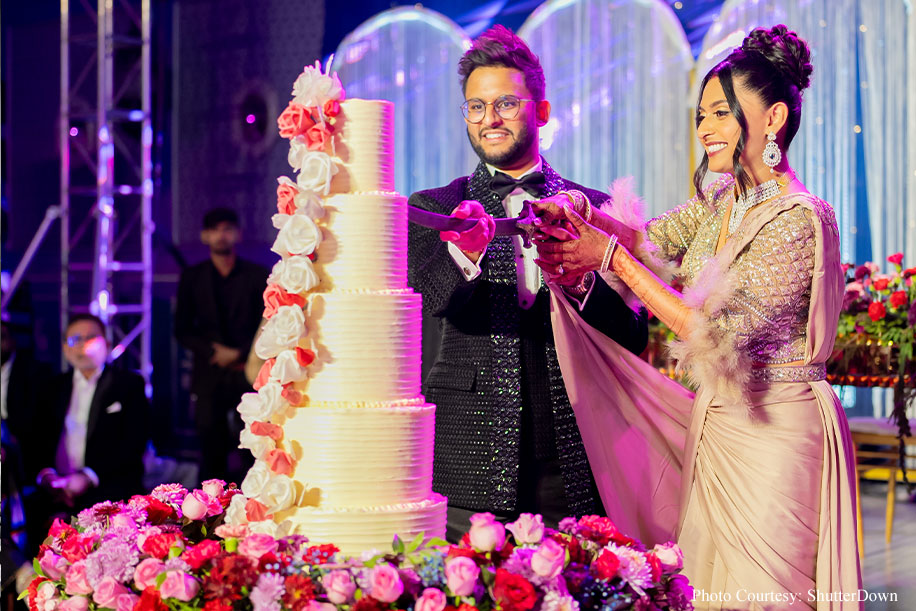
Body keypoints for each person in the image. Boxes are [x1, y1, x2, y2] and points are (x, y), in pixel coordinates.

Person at [532, 25, 861, 607]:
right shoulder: (720, 202)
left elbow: (715, 334)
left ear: (774, 119)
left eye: (722, 113)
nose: (706, 128)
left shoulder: (799, 219)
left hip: (776, 432)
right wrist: (579, 209)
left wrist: (607, 257)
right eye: (701, 115)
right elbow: (646, 240)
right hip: (717, 424)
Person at [407, 25, 648, 541]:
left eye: (506, 105)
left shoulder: (597, 210)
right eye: (476, 107)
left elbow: (633, 336)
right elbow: (429, 301)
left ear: (541, 111)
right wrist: (463, 251)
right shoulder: (432, 207)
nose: (489, 119)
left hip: (577, 453)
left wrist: (582, 278)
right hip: (468, 454)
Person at [175, 208, 268, 484]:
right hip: (210, 372)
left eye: (227, 228)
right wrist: (213, 351)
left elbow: (267, 325)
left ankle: (254, 506)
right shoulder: (193, 277)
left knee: (254, 446)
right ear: (205, 236)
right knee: (210, 447)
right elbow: (181, 330)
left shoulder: (256, 274)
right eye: (215, 229)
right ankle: (209, 515)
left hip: (248, 370)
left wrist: (239, 353)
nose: (221, 235)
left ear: (237, 234)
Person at [32, 314, 150, 531]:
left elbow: (134, 443)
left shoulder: (128, 385)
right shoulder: (51, 387)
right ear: (65, 348)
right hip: (56, 492)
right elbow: (37, 437)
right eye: (75, 339)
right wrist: (47, 475)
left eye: (91, 338)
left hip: (109, 491)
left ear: (106, 344)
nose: (83, 346)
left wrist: (87, 477)